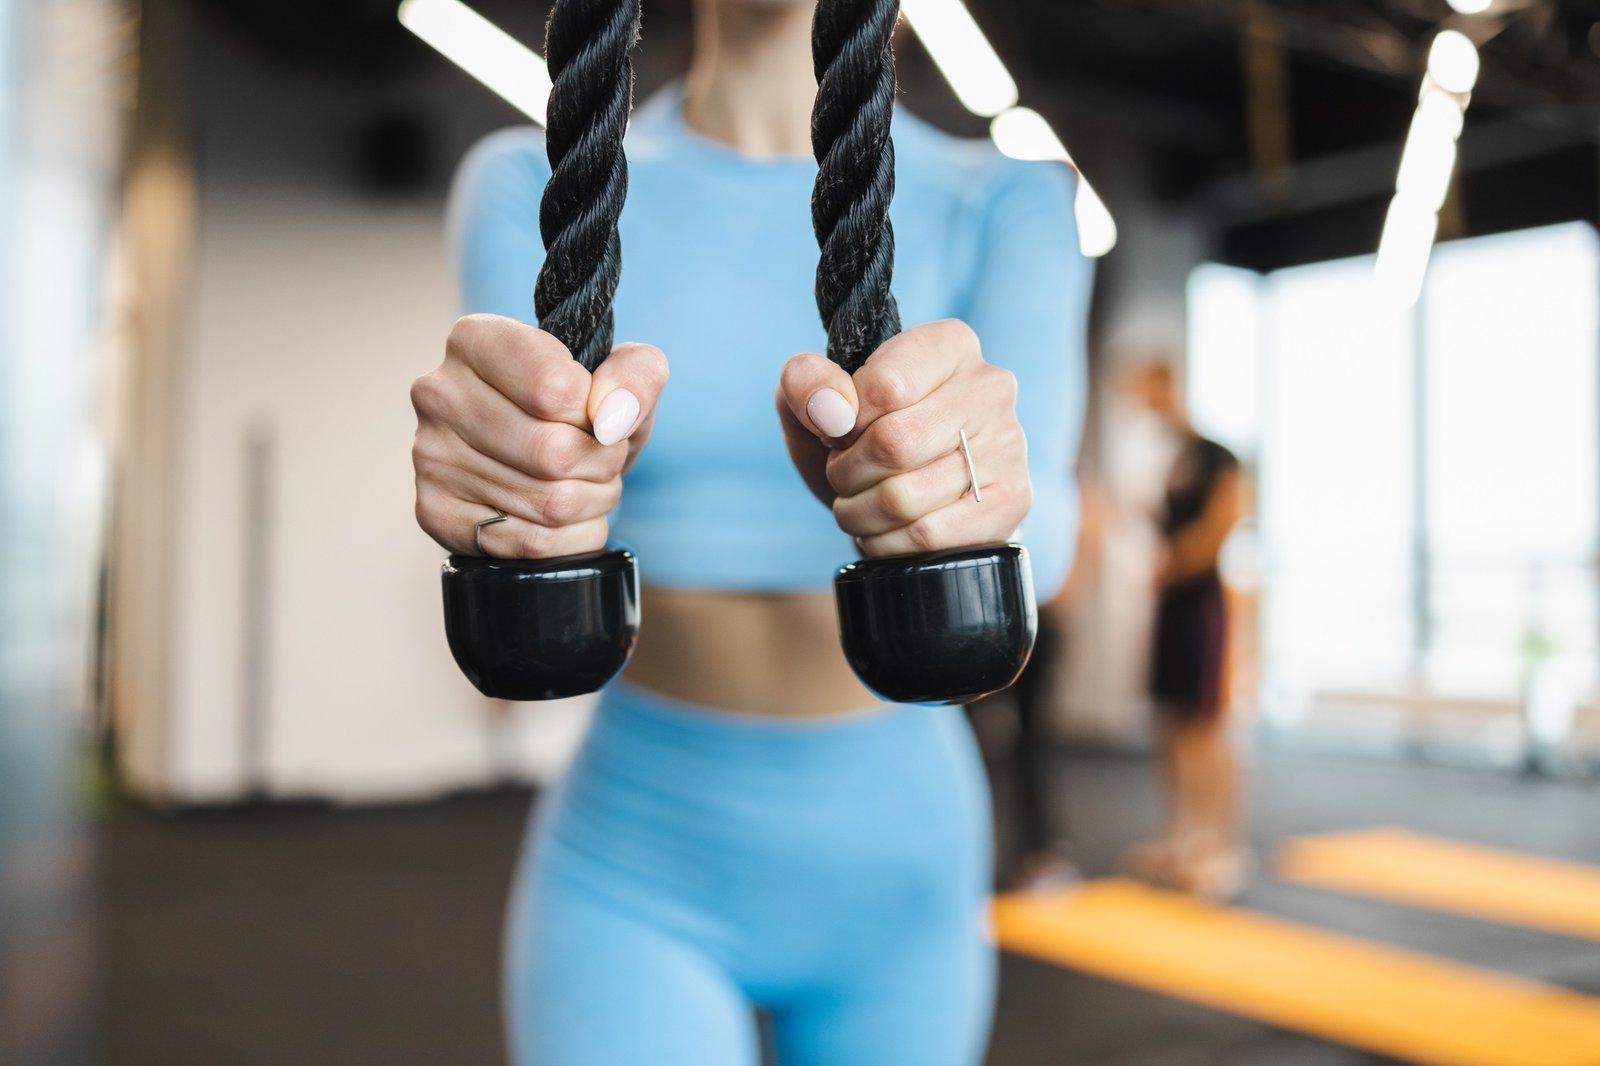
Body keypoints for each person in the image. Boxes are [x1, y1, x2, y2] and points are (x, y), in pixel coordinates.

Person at [409, 1, 1090, 1061]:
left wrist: (960, 493)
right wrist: (505, 484)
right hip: (638, 854)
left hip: (899, 859)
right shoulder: (528, 184)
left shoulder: (1010, 198)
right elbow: (525, 501)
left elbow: (1049, 534)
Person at [1121, 363, 1247, 900]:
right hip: (1172, 604)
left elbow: (1224, 523)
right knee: (1170, 723)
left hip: (1203, 605)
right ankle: (1182, 836)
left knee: (1206, 726)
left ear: (1168, 387)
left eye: (1147, 389)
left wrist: (1173, 565)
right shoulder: (1172, 459)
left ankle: (1221, 845)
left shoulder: (1217, 457)